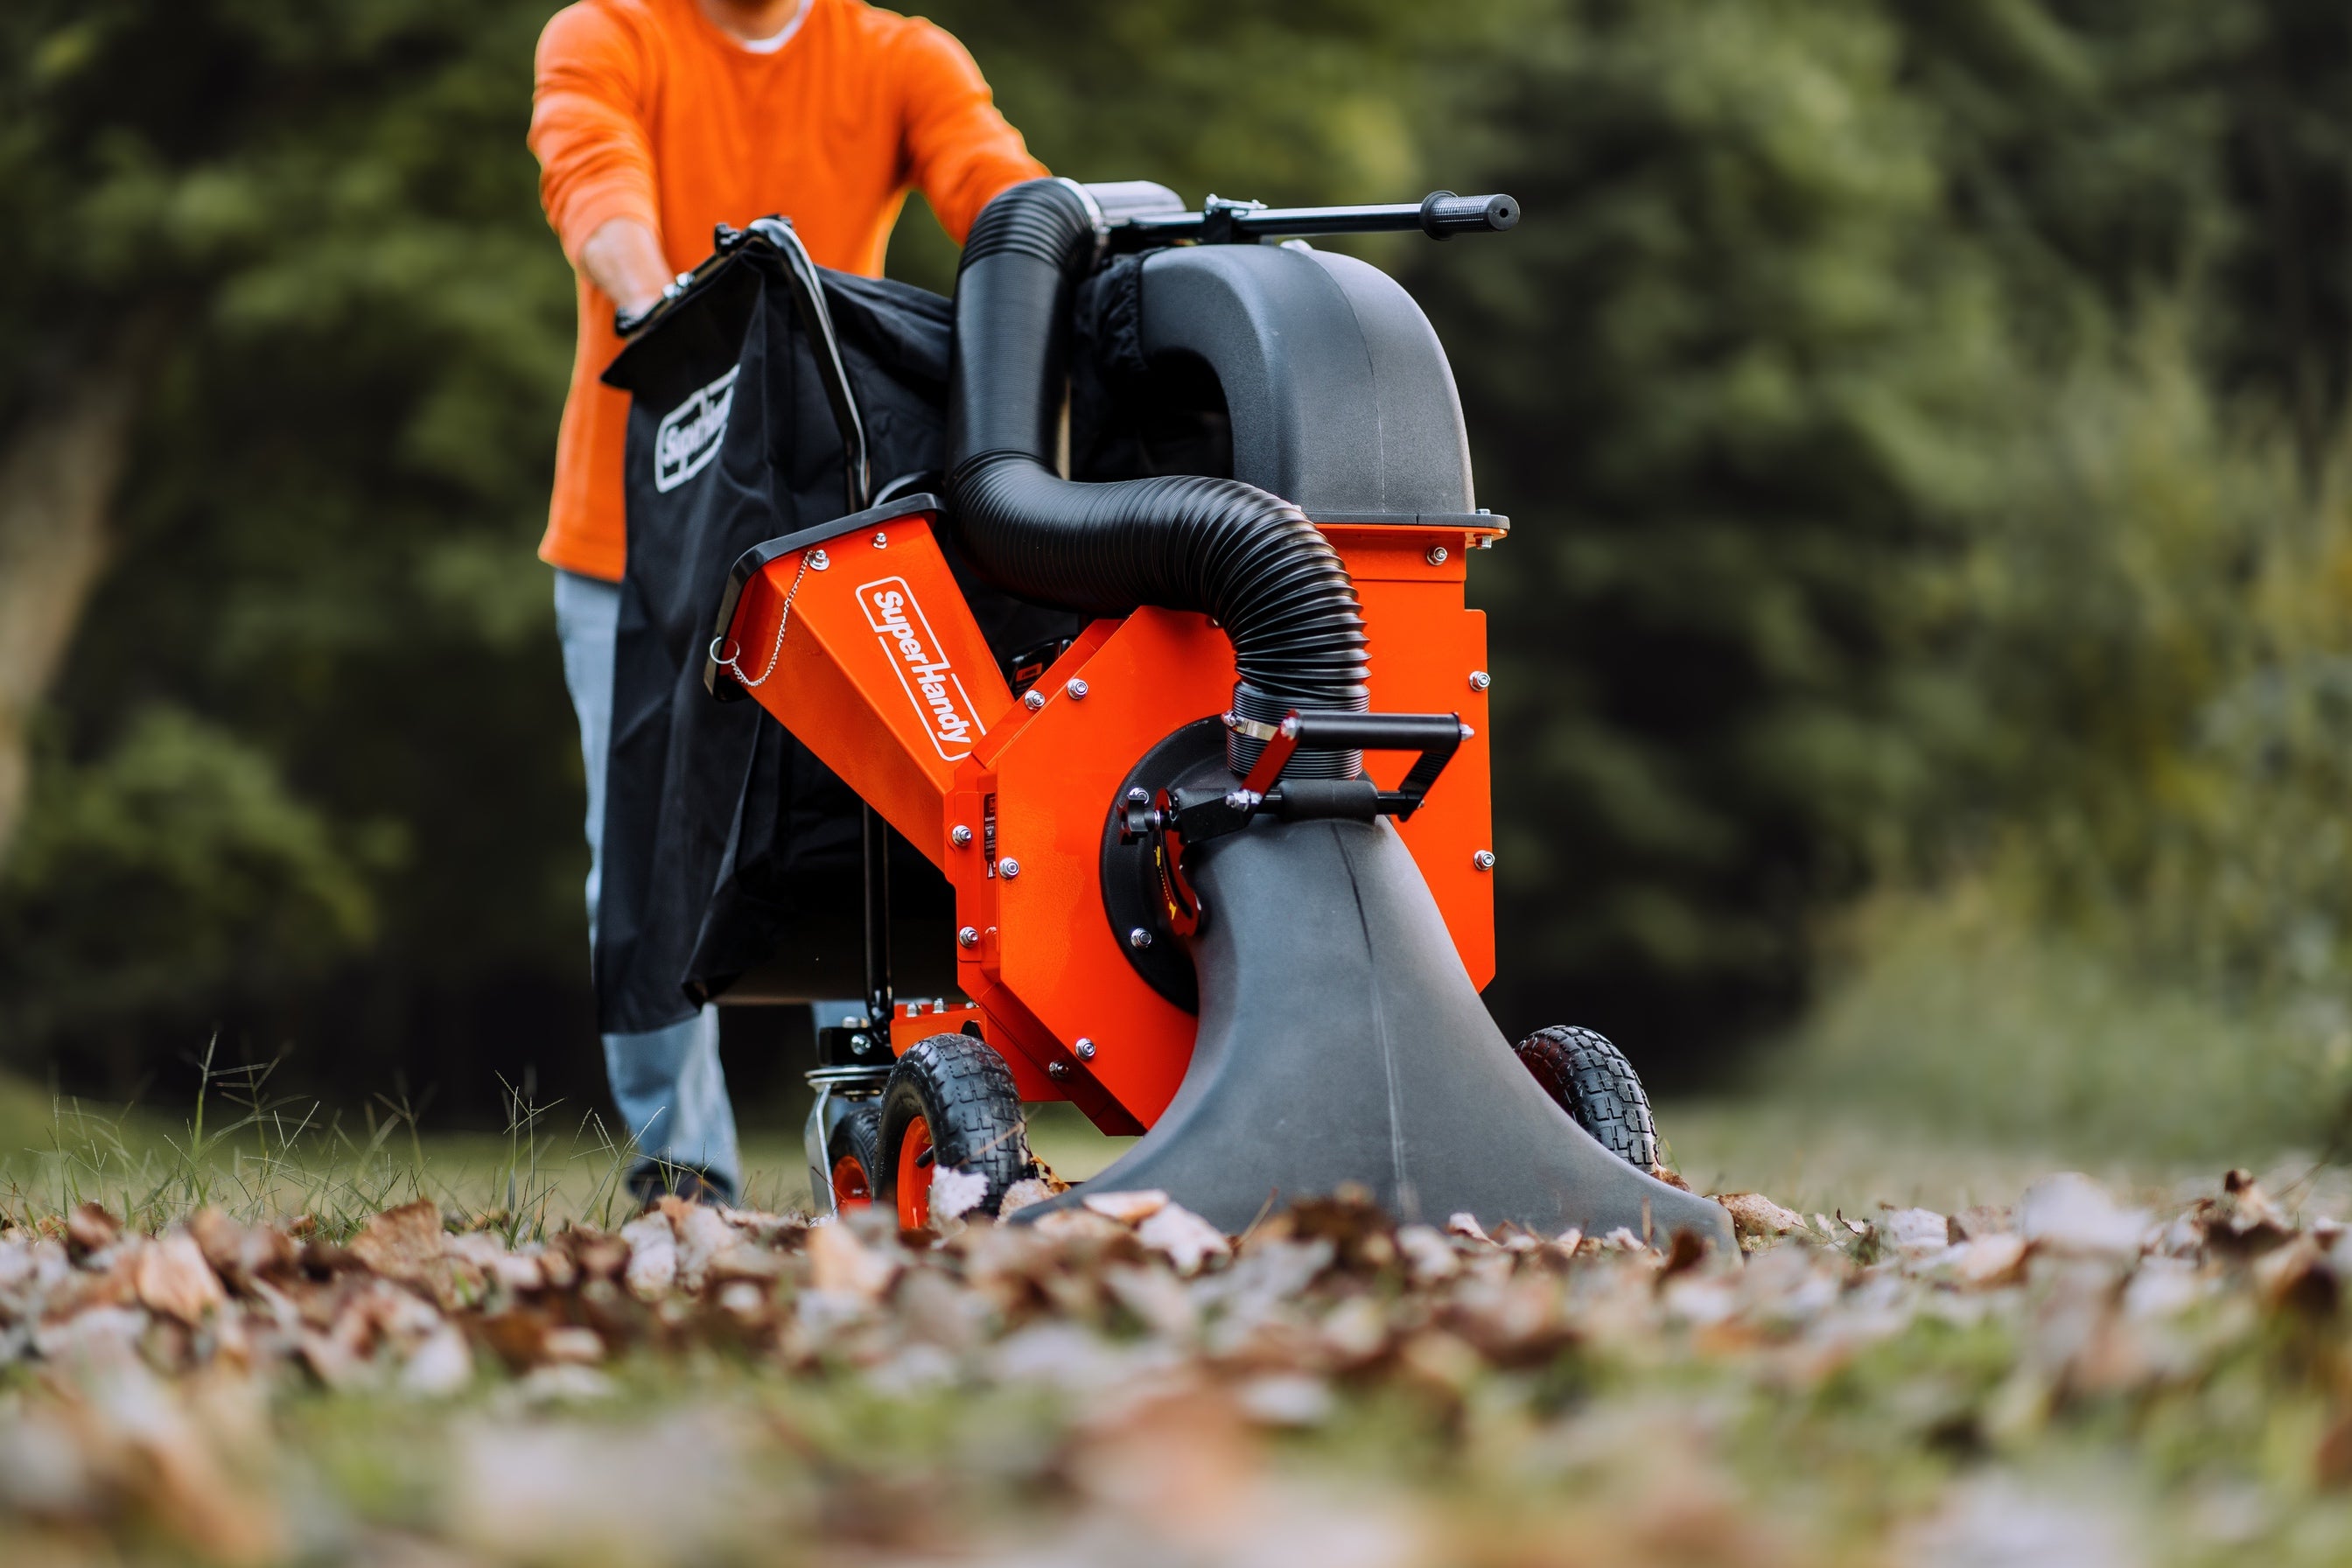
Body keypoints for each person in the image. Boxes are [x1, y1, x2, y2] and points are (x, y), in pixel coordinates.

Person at [528, 0, 1046, 1204]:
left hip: (835, 523)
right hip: (634, 535)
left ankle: (871, 1131)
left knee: (874, 832)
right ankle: (683, 1162)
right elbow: (594, 180)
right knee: (645, 854)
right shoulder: (608, 34)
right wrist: (671, 315)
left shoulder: (899, 56)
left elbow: (992, 181)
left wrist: (1056, 251)